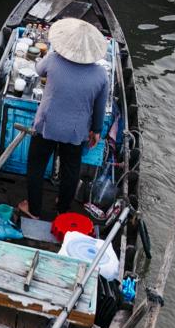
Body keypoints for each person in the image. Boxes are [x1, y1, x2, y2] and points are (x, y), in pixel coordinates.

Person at [17, 18, 109, 221]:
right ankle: (63, 209)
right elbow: (100, 107)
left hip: (46, 126)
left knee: (37, 166)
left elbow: (38, 70)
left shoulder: (53, 59)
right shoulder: (101, 75)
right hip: (76, 132)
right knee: (71, 169)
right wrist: (96, 130)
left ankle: (34, 209)